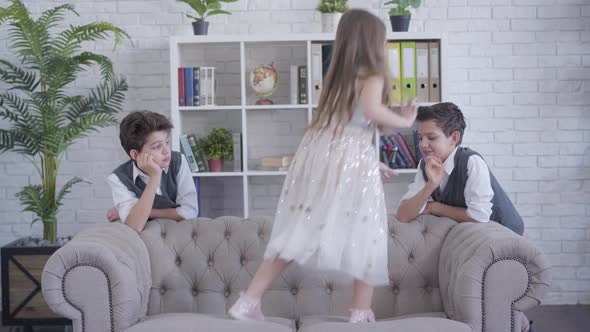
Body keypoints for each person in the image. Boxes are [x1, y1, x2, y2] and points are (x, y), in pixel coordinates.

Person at [228, 9, 416, 323]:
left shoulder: (337, 79)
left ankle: (248, 300)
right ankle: (360, 313)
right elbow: (370, 111)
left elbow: (339, 133)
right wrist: (405, 120)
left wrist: (370, 165)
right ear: (373, 42)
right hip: (347, 155)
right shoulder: (372, 75)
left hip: (322, 153)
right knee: (369, 231)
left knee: (298, 229)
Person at [396, 102, 524, 234]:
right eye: (420, 138)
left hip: (507, 235)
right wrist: (430, 185)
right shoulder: (425, 165)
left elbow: (478, 217)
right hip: (473, 237)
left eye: (431, 137)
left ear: (454, 138)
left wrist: (434, 207)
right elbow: (402, 215)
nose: (422, 144)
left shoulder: (471, 162)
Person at [106, 111, 198, 232]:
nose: (166, 151)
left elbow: (189, 212)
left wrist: (140, 212)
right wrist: (155, 176)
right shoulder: (118, 178)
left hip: (180, 237)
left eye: (167, 142)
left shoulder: (178, 161)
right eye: (157, 147)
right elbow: (135, 225)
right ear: (135, 154)